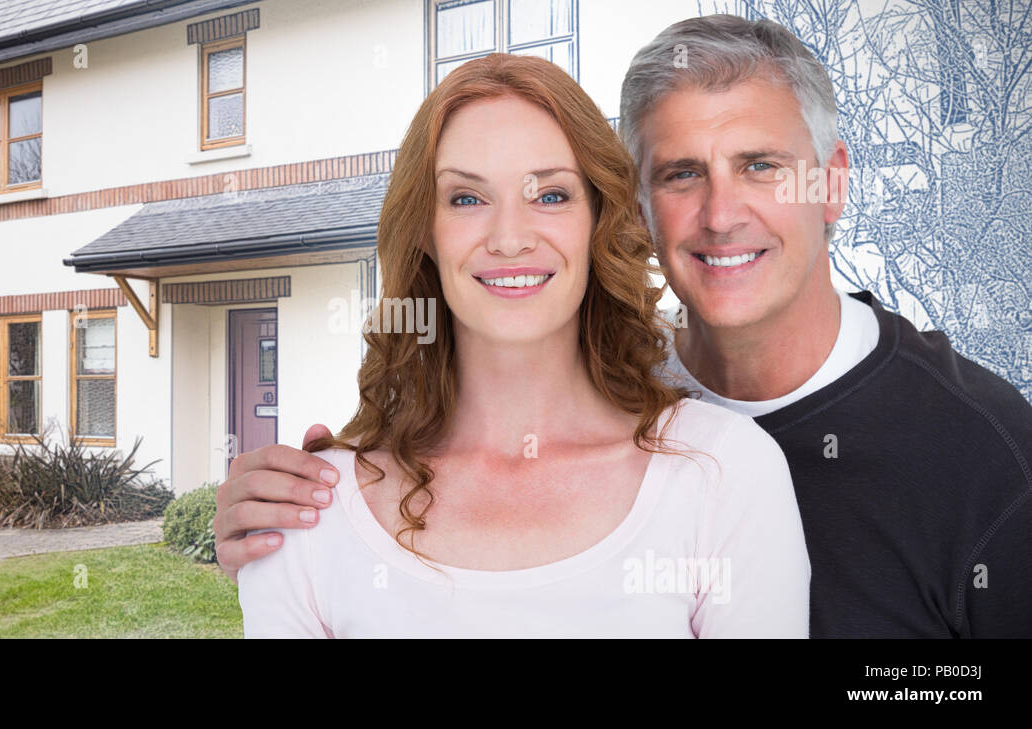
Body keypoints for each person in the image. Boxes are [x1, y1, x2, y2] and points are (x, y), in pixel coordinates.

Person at [218, 15, 1032, 638]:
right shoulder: (633, 388)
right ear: (635, 209)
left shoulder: (986, 452)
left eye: (760, 166)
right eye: (681, 174)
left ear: (832, 183)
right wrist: (269, 527)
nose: (720, 214)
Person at [235, 52, 810, 638]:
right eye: (466, 198)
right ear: (425, 233)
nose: (509, 239)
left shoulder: (724, 473)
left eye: (551, 196)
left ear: (600, 220)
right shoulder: (306, 511)